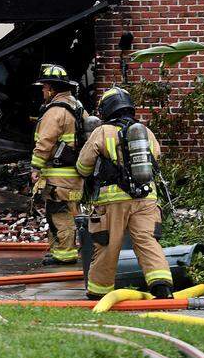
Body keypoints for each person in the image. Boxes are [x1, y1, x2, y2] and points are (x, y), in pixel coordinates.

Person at [75, 86, 174, 299]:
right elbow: (155, 158)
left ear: (106, 109)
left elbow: (83, 166)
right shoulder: (144, 131)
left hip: (113, 200)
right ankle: (162, 286)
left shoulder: (102, 132)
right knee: (147, 241)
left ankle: (99, 292)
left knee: (108, 245)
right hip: (146, 197)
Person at [29, 64, 87, 266]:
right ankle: (60, 251)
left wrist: (35, 167)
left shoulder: (55, 111)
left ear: (52, 89)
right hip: (75, 176)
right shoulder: (78, 108)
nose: (43, 91)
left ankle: (65, 254)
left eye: (44, 87)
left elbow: (45, 141)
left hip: (58, 176)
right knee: (69, 212)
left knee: (59, 214)